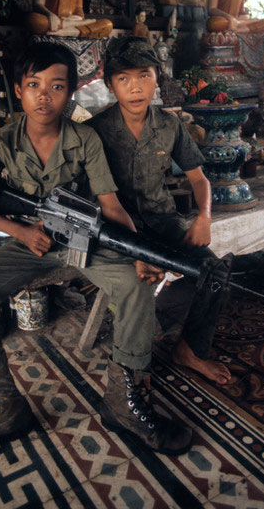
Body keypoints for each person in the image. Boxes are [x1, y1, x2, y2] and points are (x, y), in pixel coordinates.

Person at [0, 43, 192, 468]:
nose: (44, 96)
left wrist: (139, 252)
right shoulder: (2, 142)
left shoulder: (85, 138)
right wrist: (20, 230)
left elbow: (109, 204)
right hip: (30, 244)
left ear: (70, 93)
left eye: (56, 86)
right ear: (19, 91)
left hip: (85, 243)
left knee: (134, 286)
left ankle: (122, 404)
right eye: (34, 85)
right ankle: (5, 411)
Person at [87, 37, 231, 385]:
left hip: (162, 221)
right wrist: (128, 247)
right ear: (109, 85)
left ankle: (190, 350)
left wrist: (204, 217)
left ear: (157, 78)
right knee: (135, 281)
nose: (135, 87)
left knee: (215, 273)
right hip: (115, 229)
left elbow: (199, 179)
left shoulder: (169, 126)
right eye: (123, 79)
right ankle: (130, 371)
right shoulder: (94, 131)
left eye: (144, 76)